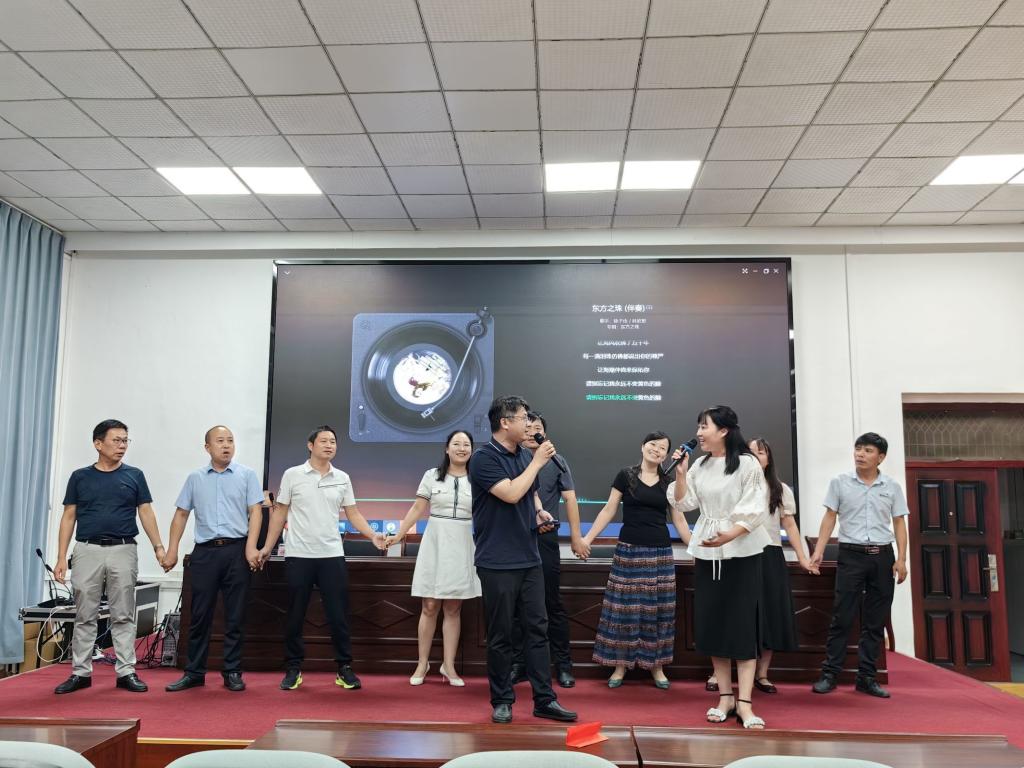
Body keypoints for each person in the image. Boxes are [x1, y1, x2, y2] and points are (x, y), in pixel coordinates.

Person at [468, 395, 577, 724]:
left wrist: (540, 510)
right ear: (505, 422)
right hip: (497, 560)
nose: (529, 425)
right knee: (501, 634)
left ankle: (545, 699)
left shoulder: (522, 456)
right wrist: (538, 462)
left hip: (529, 557)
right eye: (523, 419)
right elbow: (511, 492)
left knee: (538, 630)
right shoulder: (483, 458)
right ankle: (502, 700)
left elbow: (529, 493)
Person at [258, 425, 387, 691]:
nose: (329, 445)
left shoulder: (342, 478)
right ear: (310, 445)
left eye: (333, 442)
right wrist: (268, 547)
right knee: (295, 615)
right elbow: (280, 514)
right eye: (324, 441)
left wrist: (372, 535)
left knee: (338, 615)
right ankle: (293, 668)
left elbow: (353, 513)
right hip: (299, 555)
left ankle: (344, 668)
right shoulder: (293, 475)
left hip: (331, 555)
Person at [669, 406, 770, 729]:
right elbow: (683, 503)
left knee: (741, 625)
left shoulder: (747, 463)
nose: (699, 433)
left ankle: (745, 703)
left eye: (704, 426)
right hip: (708, 552)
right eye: (698, 427)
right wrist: (681, 473)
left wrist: (730, 534)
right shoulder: (699, 464)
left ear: (724, 430)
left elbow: (755, 507)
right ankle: (725, 697)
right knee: (713, 624)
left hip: (741, 551)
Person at [53, 419, 166, 694]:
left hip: (123, 549)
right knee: (85, 614)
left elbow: (146, 512)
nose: (122, 445)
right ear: (98, 443)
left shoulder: (134, 475)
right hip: (87, 549)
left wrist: (159, 547)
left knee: (123, 613)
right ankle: (81, 673)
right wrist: (61, 557)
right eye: (116, 440)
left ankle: (126, 672)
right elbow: (69, 516)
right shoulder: (80, 477)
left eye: (126, 440)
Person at [705, 436, 818, 694]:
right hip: (737, 552)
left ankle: (762, 675)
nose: (756, 456)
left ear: (769, 459)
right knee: (732, 613)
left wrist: (802, 558)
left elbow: (790, 525)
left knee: (769, 614)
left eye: (761, 452)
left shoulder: (780, 489)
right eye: (751, 451)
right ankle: (718, 674)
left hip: (770, 555)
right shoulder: (732, 482)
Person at [583, 431, 691, 689]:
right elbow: (609, 510)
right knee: (623, 611)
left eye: (663, 448)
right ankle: (619, 665)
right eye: (653, 444)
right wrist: (587, 539)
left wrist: (698, 548)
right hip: (628, 551)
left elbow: (679, 519)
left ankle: (657, 666)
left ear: (667, 455)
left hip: (660, 553)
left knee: (659, 612)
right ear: (642, 446)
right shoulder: (625, 475)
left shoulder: (669, 482)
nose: (657, 450)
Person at [161, 426, 265, 692]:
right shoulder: (195, 478)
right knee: (199, 615)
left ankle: (232, 671)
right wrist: (172, 550)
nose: (226, 445)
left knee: (235, 615)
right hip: (205, 552)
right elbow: (181, 514)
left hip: (236, 551)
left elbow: (256, 512)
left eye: (230, 440)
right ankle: (194, 672)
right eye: (220, 441)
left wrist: (251, 547)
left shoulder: (246, 475)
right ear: (207, 447)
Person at [810, 432, 909, 699]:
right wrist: (818, 550)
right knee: (842, 617)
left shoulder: (892, 487)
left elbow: (899, 522)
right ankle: (830, 674)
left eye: (867, 450)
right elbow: (830, 517)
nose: (860, 454)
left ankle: (867, 678)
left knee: (875, 621)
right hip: (851, 556)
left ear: (881, 457)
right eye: (858, 449)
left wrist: (901, 559)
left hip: (882, 556)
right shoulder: (840, 482)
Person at [386, 430, 481, 687]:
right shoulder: (432, 475)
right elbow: (417, 508)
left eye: (466, 444)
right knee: (429, 605)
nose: (462, 448)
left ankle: (448, 666)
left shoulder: (478, 478)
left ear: (472, 450)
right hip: (435, 541)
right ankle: (422, 663)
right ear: (446, 449)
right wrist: (398, 535)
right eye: (456, 444)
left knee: (453, 607)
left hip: (463, 542)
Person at [510, 411, 585, 689]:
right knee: (516, 605)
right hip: (515, 539)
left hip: (545, 538)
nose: (531, 432)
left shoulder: (556, 460)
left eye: (537, 428)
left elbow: (570, 499)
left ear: (545, 433)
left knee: (551, 602)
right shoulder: (512, 459)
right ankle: (518, 665)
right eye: (527, 427)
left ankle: (563, 665)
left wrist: (576, 537)